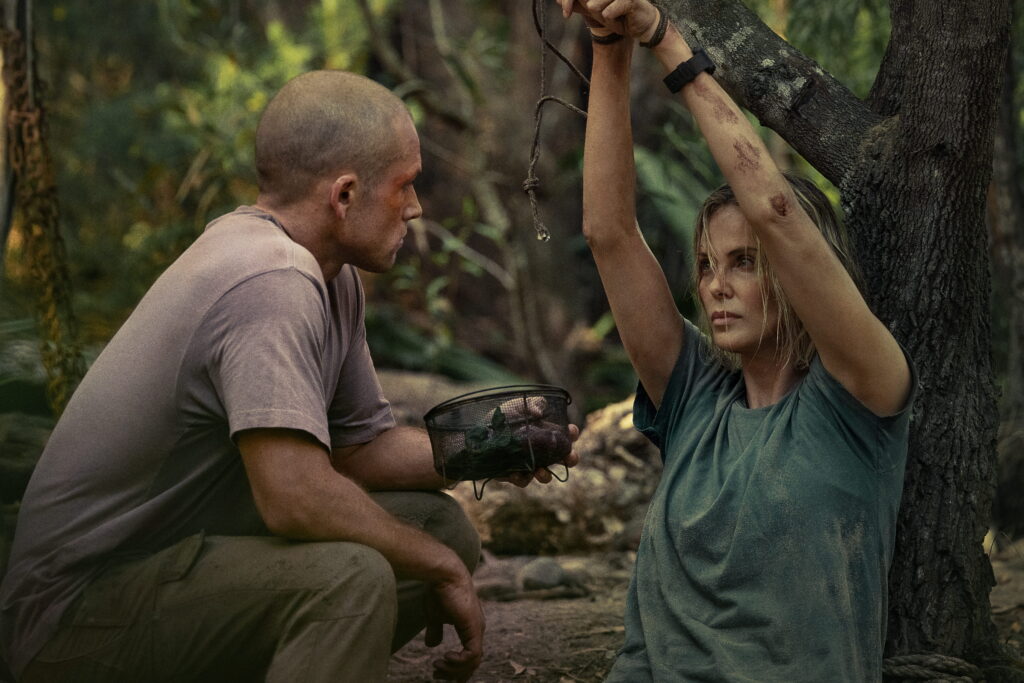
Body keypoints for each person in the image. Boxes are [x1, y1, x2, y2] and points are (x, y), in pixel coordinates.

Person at [0, 70, 578, 683]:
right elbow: (293, 497)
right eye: (405, 185)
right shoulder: (271, 280)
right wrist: (439, 566)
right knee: (350, 579)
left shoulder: (330, 276)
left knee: (439, 527)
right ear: (344, 195)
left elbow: (356, 450)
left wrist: (489, 443)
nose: (416, 207)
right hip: (71, 616)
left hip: (171, 561)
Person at [556, 1, 915, 680]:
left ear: (797, 274)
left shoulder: (861, 395)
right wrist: (606, 41)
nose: (715, 285)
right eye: (706, 265)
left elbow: (776, 213)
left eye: (744, 262)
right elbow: (609, 232)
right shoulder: (693, 396)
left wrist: (665, 39)